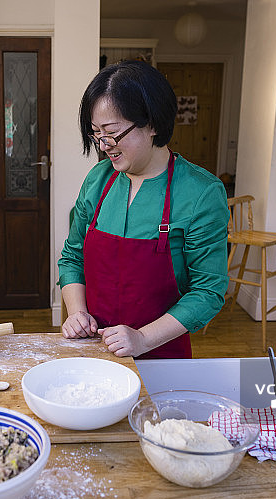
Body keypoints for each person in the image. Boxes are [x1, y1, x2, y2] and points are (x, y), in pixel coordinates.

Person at [58, 60, 229, 359]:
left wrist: (143, 338)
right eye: (96, 132)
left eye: (111, 132)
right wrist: (77, 313)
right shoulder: (97, 181)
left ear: (152, 124)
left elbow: (208, 291)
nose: (103, 145)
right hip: (95, 350)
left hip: (162, 355)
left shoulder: (201, 192)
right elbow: (72, 256)